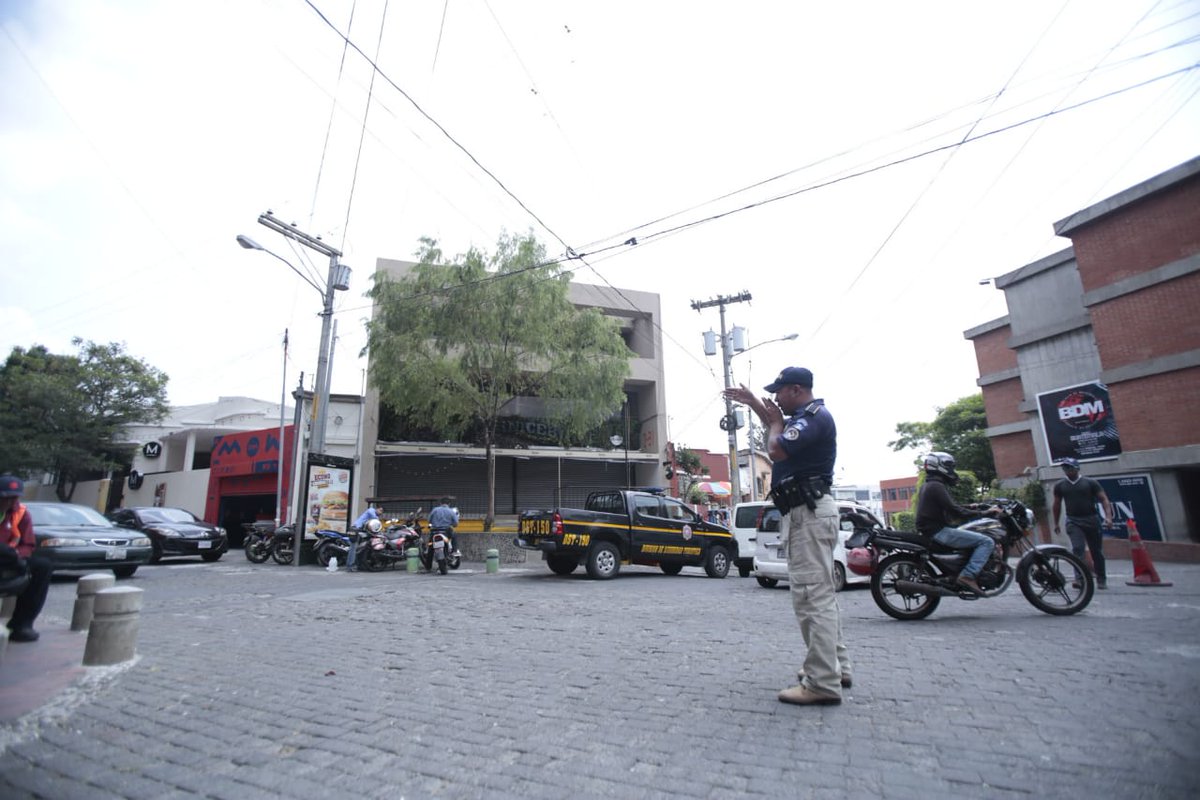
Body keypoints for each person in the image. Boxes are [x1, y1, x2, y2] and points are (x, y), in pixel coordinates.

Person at [724, 366, 849, 706]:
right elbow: (775, 427)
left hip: (808, 513)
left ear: (796, 389)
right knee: (820, 594)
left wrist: (775, 422)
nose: (775, 398)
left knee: (812, 597)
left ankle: (822, 681)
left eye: (779, 391)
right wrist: (754, 404)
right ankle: (835, 666)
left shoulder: (813, 418)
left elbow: (777, 447)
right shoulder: (804, 419)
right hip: (805, 511)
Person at [914, 452, 996, 595]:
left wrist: (973, 507)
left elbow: (949, 506)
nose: (951, 469)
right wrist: (985, 513)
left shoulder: (929, 485)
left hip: (932, 530)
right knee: (986, 541)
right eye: (949, 465)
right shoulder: (936, 486)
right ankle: (968, 576)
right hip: (938, 531)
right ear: (939, 466)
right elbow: (955, 510)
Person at [0, 475, 53, 643]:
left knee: (42, 566)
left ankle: (22, 624)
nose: (10, 502)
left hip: (10, 558)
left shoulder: (21, 513)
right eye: (6, 497)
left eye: (14, 497)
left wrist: (17, 556)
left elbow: (28, 544)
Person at [1052, 457, 1113, 590]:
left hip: (1091, 519)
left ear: (1077, 468)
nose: (1067, 470)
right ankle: (1079, 579)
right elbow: (1056, 504)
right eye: (1065, 468)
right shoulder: (1060, 485)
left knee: (1096, 551)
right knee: (1077, 549)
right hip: (1073, 520)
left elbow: (1104, 499)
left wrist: (1108, 517)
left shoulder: (1090, 482)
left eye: (1070, 467)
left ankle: (1101, 578)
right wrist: (1056, 523)